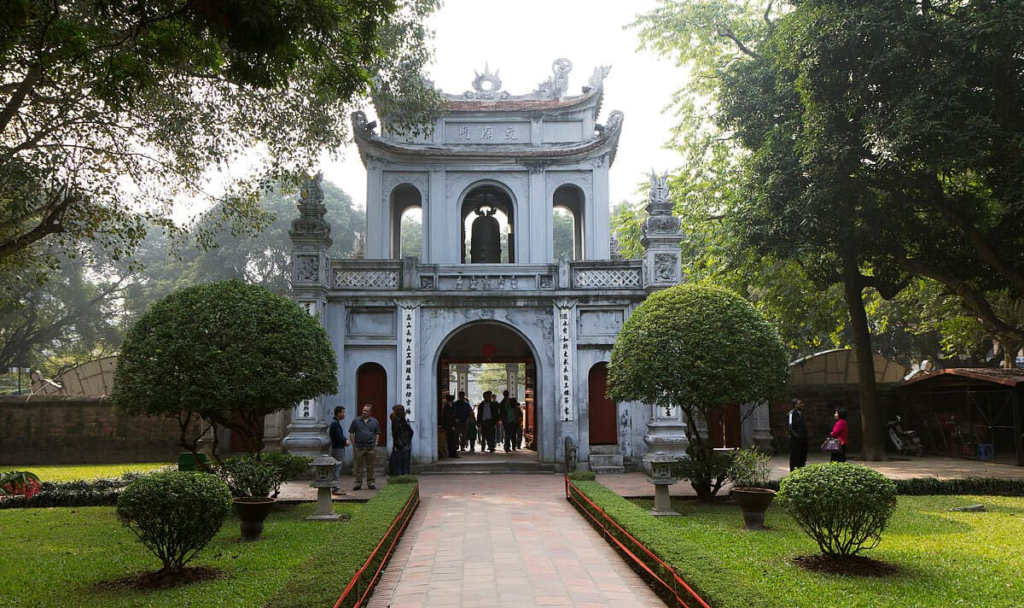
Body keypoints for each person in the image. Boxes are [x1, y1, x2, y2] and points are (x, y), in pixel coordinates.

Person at [349, 404, 380, 490]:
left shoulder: (374, 421)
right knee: (358, 466)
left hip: (371, 447)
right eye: (363, 410)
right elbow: (351, 432)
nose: (364, 412)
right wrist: (353, 444)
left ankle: (370, 482)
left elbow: (377, 433)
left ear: (370, 412)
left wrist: (376, 443)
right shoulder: (356, 421)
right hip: (359, 447)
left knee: (370, 466)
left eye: (366, 411)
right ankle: (358, 483)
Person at [328, 406, 349, 495]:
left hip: (338, 447)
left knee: (336, 468)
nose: (344, 414)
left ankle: (335, 487)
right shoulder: (335, 423)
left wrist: (345, 440)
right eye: (343, 412)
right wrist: (345, 441)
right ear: (338, 413)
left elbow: (340, 435)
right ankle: (335, 488)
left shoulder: (336, 422)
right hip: (338, 448)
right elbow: (338, 436)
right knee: (337, 469)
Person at [390, 404, 414, 475]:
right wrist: (408, 442)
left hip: (398, 447)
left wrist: (396, 445)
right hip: (406, 446)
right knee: (405, 466)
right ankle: (405, 482)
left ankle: (399, 483)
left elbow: (396, 434)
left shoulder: (395, 421)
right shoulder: (404, 420)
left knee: (398, 467)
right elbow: (411, 432)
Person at [788, 398, 808, 471]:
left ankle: (801, 470)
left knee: (802, 456)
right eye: (799, 403)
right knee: (794, 457)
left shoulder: (800, 414)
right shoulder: (791, 414)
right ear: (795, 405)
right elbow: (790, 427)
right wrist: (797, 436)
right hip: (795, 440)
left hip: (802, 439)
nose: (801, 405)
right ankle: (793, 471)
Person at [441, 394, 460, 459]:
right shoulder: (448, 406)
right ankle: (453, 454)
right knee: (452, 441)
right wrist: (452, 425)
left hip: (448, 426)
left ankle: (452, 454)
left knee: (451, 441)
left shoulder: (448, 406)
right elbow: (449, 418)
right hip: (449, 427)